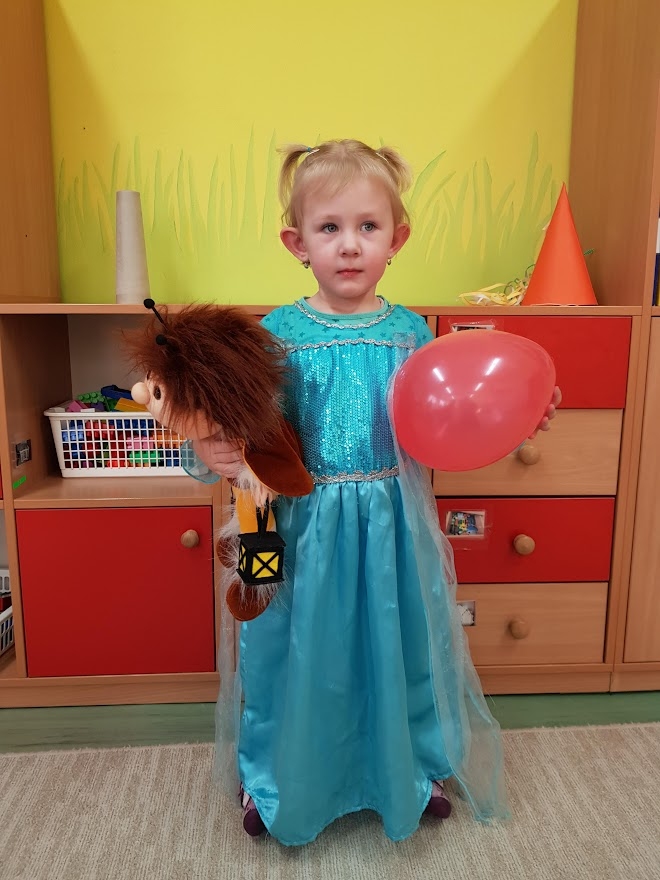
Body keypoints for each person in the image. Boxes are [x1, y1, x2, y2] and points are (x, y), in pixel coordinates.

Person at [184, 139, 561, 846]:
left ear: (397, 239)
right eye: (329, 228)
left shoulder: (412, 334)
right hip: (297, 526)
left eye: (368, 226)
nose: (350, 245)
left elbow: (452, 415)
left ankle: (407, 770)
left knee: (398, 645)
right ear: (298, 243)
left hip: (391, 523)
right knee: (294, 653)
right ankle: (276, 776)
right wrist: (208, 449)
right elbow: (228, 428)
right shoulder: (275, 336)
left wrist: (517, 411)